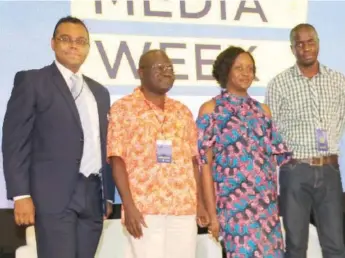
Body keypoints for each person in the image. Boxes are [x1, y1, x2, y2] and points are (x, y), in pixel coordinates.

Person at [2, 16, 114, 258]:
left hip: (93, 194)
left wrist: (108, 194)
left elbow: (104, 144)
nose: (74, 45)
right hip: (53, 194)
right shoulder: (32, 81)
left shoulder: (100, 92)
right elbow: (14, 142)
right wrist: (21, 195)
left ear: (88, 47)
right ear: (53, 43)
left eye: (81, 41)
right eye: (66, 39)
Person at [107, 49, 208, 258]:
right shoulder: (123, 109)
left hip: (183, 207)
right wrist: (128, 205)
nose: (167, 72)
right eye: (159, 68)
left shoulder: (182, 111)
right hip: (144, 208)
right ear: (141, 72)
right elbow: (117, 160)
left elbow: (192, 161)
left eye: (170, 68)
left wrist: (199, 204)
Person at [197, 46, 291, 257]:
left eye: (250, 68)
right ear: (225, 71)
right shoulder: (211, 110)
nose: (246, 73)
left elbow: (273, 162)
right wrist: (212, 213)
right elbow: (204, 164)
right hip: (233, 209)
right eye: (239, 68)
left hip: (266, 209)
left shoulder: (263, 110)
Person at [265, 23, 345, 258]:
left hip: (329, 170)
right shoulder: (279, 83)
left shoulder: (339, 81)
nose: (306, 47)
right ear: (292, 49)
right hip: (295, 172)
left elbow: (341, 120)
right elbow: (272, 129)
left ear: (318, 44)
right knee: (296, 246)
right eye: (299, 43)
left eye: (310, 41)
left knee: (336, 246)